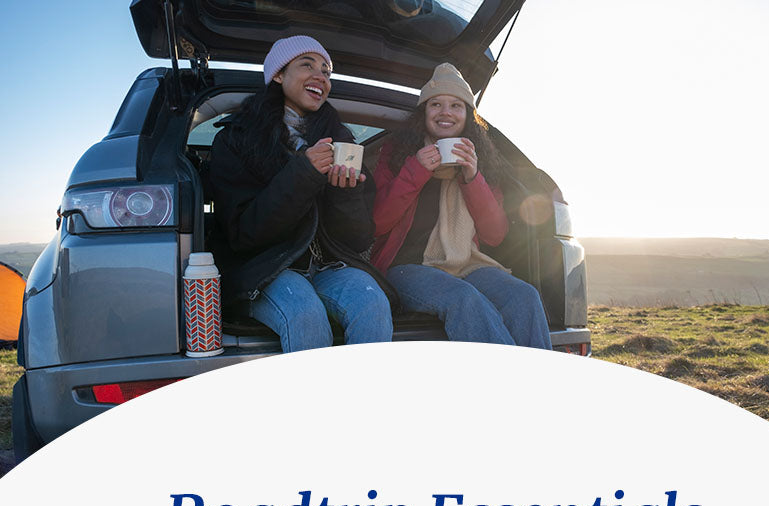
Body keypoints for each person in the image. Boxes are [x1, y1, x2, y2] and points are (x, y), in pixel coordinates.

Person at [208, 36, 395, 352]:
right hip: (267, 268)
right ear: (279, 75)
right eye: (306, 65)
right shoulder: (236, 141)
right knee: (304, 311)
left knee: (371, 299)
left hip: (325, 267)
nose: (320, 76)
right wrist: (303, 174)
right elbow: (244, 234)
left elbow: (358, 241)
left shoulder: (342, 142)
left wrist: (345, 193)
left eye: (326, 71)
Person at [371, 63, 551, 349]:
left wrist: (473, 177)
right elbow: (377, 223)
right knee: (463, 298)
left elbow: (495, 235)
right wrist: (415, 170)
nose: (446, 112)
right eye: (436, 104)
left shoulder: (481, 160)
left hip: (466, 264)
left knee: (524, 296)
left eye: (456, 105)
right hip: (406, 268)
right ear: (423, 112)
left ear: (468, 115)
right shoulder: (396, 154)